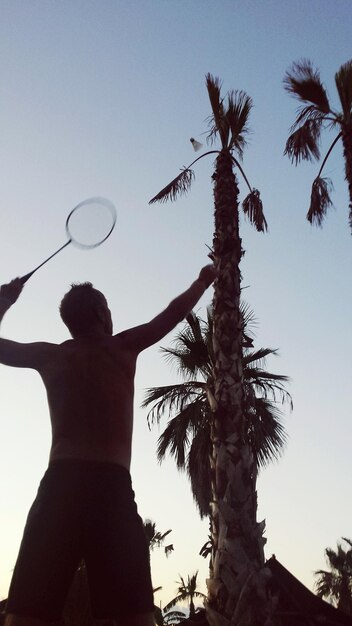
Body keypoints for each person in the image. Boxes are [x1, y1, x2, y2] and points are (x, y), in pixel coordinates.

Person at [0, 265, 215, 626]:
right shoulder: (123, 347)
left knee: (25, 615)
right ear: (102, 314)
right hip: (110, 489)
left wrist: (4, 301)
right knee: (134, 616)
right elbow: (174, 313)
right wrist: (204, 279)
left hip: (60, 487)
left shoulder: (51, 356)